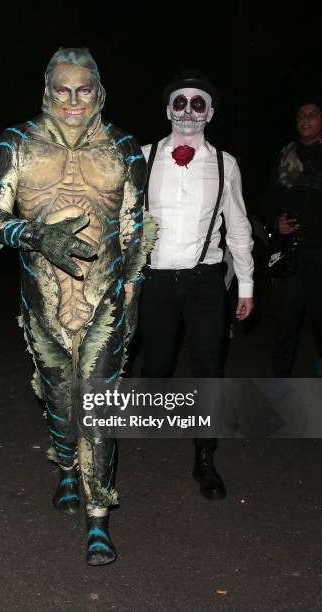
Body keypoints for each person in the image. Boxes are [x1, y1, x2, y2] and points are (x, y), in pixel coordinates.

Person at [0, 48, 156, 566]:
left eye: (84, 90)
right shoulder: (14, 143)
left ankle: (98, 520)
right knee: (60, 399)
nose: (74, 100)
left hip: (104, 299)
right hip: (43, 300)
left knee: (97, 411)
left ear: (99, 91)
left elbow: (134, 227)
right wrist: (31, 232)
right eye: (63, 89)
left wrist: (132, 294)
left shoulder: (124, 146)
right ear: (47, 90)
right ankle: (64, 467)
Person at [139, 70, 254, 499]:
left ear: (210, 113)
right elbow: (123, 220)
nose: (188, 110)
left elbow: (239, 227)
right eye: (181, 102)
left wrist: (245, 285)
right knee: (158, 363)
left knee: (209, 369)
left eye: (198, 103)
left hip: (206, 281)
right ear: (168, 109)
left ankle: (205, 459)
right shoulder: (144, 157)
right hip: (155, 281)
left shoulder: (226, 164)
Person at [265, 99, 322, 377]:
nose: (306, 119)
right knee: (285, 326)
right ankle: (279, 388)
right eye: (301, 115)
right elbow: (268, 200)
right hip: (291, 254)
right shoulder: (285, 154)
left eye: (312, 114)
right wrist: (275, 221)